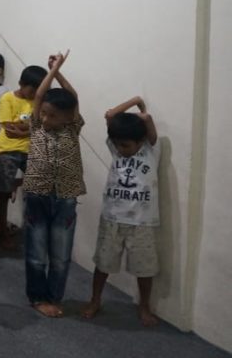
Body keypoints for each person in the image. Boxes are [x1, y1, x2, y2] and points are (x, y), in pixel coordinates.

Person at [82, 96, 162, 326]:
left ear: (140, 141)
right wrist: (135, 100)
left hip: (142, 222)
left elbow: (147, 121)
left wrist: (143, 111)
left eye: (125, 145)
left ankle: (144, 306)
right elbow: (110, 115)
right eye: (117, 144)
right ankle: (95, 300)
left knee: (144, 269)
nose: (120, 149)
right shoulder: (116, 150)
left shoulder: (150, 151)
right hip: (112, 219)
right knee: (103, 264)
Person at [24, 51, 83, 318]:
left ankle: (54, 296)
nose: (46, 119)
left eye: (53, 116)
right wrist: (52, 70)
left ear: (68, 117)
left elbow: (73, 96)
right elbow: (39, 95)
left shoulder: (73, 128)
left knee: (60, 255)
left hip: (65, 198)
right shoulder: (37, 126)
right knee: (37, 253)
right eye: (44, 114)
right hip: (37, 195)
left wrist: (59, 72)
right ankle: (38, 297)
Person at [0, 65, 49, 248]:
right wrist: (30, 128)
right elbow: (9, 129)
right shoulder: (7, 98)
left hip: (30, 150)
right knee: (4, 193)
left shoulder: (38, 101)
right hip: (6, 150)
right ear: (21, 84)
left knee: (36, 191)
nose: (34, 95)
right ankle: (3, 232)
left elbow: (41, 126)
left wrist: (24, 129)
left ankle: (31, 231)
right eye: (32, 91)